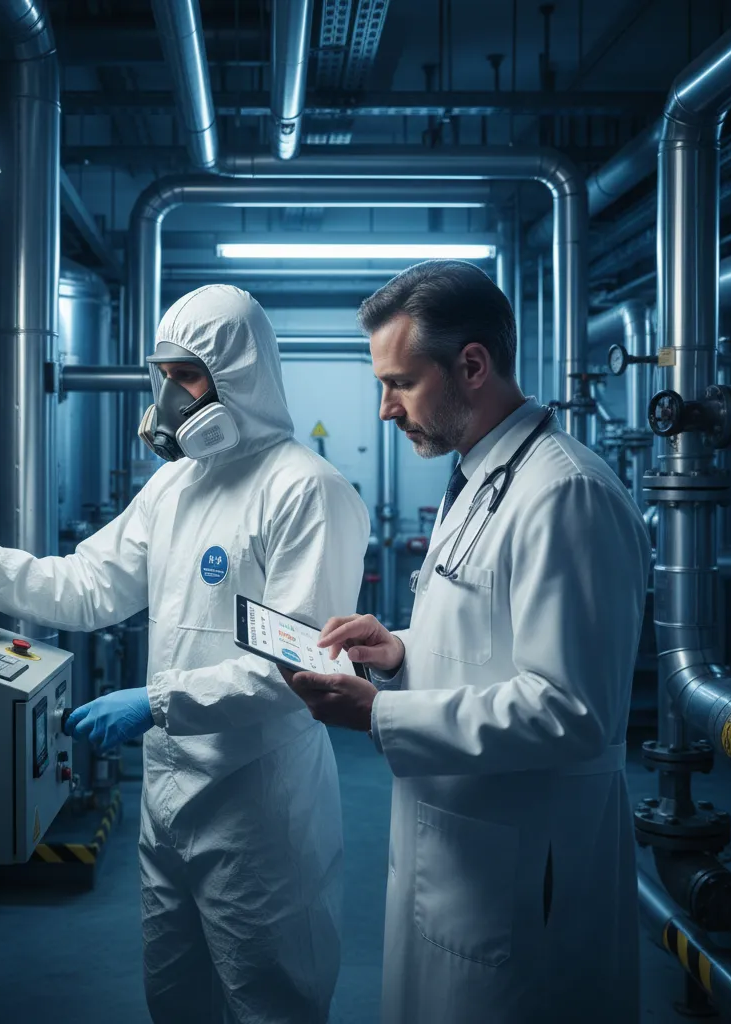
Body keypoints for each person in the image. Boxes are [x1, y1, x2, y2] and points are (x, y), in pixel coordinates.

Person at [0, 284, 370, 1024]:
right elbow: (92, 584)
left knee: (271, 1003)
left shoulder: (305, 490)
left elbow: (301, 668)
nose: (170, 396)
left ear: (239, 376)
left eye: (189, 376)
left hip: (258, 811)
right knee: (174, 999)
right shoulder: (176, 484)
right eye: (163, 375)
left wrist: (156, 702)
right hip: (167, 799)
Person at [282, 261, 650, 1024]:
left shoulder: (564, 493)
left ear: (473, 366)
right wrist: (399, 651)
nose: (385, 409)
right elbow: (492, 642)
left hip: (528, 878)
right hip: (465, 851)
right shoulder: (481, 476)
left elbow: (571, 710)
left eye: (401, 383)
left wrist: (377, 714)